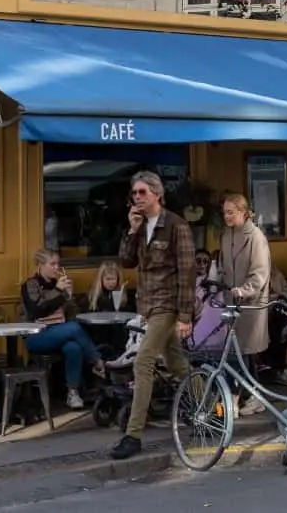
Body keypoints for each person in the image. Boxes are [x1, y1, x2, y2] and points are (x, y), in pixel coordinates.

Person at [111, 171, 195, 461]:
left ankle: (133, 435)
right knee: (176, 362)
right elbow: (126, 261)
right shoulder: (140, 225)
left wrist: (185, 315)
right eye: (134, 193)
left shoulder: (176, 226)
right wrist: (132, 230)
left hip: (168, 304)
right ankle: (210, 408)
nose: (137, 197)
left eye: (142, 192)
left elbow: (187, 272)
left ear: (157, 194)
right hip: (147, 305)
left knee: (143, 361)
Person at [21, 250, 106, 410]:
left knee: (73, 348)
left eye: (58, 264)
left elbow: (72, 315)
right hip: (37, 335)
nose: (56, 268)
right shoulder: (30, 284)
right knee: (73, 329)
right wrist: (59, 292)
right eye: (52, 264)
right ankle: (97, 361)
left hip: (62, 331)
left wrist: (69, 297)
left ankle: (72, 392)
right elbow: (37, 310)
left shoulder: (59, 283)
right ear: (40, 265)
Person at [218, 193, 272, 415]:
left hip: (250, 304)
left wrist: (244, 290)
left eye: (231, 212)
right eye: (224, 213)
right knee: (241, 352)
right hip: (233, 301)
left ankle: (241, 397)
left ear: (243, 211)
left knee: (243, 351)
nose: (227, 216)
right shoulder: (226, 235)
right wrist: (219, 281)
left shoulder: (256, 237)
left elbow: (260, 273)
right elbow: (222, 264)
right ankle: (253, 396)